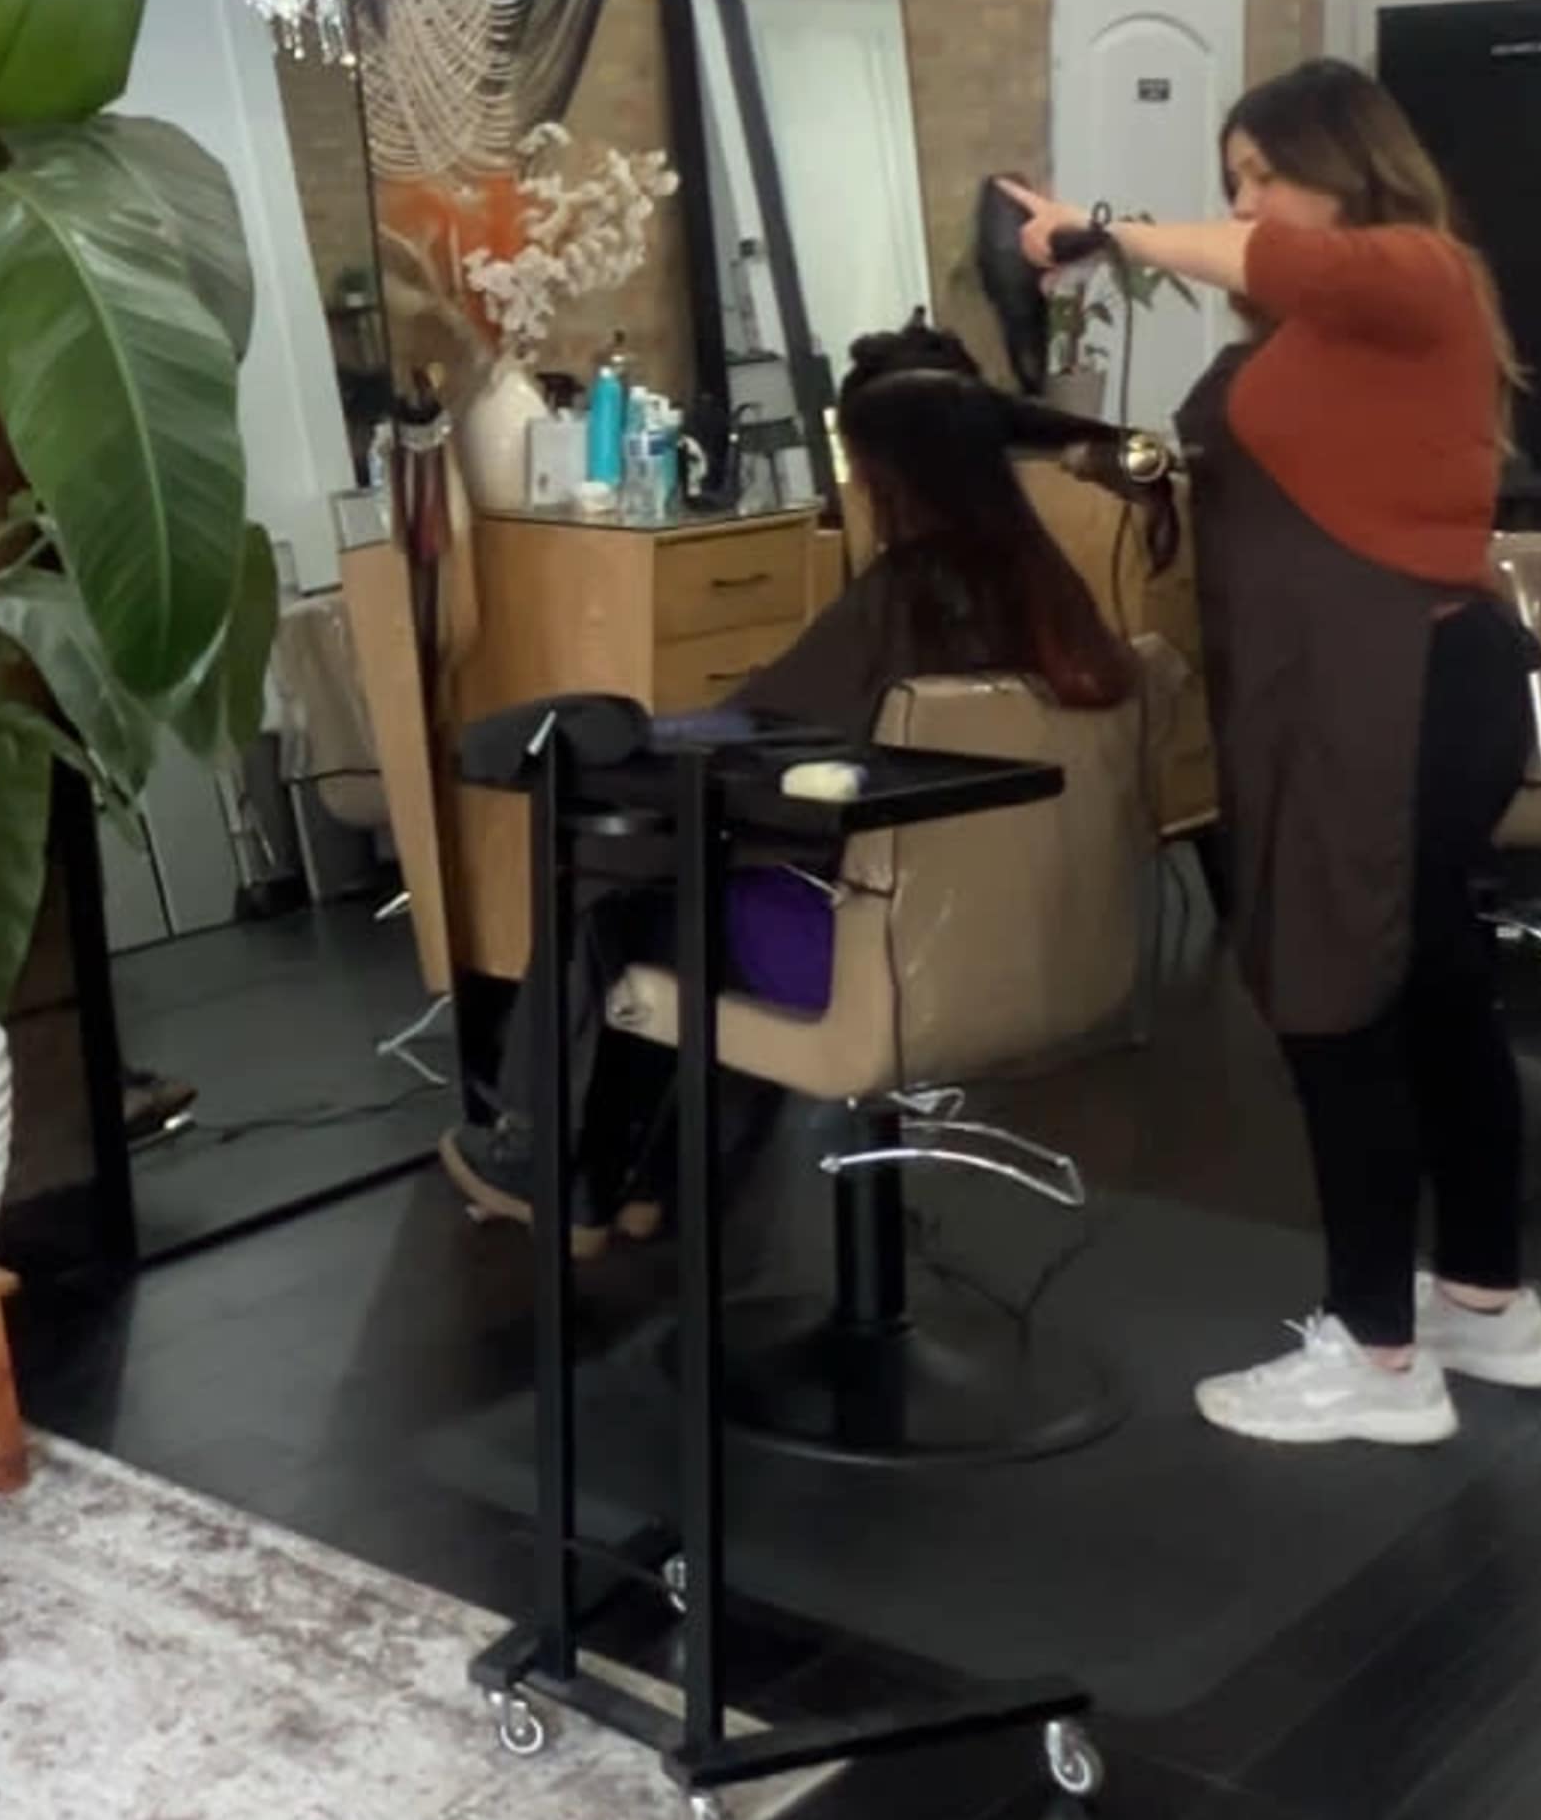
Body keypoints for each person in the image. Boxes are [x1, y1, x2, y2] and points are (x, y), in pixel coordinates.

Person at [1000, 61, 1541, 1449]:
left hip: (1399, 685)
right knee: (1429, 981)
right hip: (1395, 684)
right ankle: (1485, 1304)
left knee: (1341, 990)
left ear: (1343, 163)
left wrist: (1105, 231)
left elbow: (1274, 259)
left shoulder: (1417, 269)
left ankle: (1376, 1361)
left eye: (1260, 169)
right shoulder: (1313, 337)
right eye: (1231, 175)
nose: (1243, 200)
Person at [443, 327, 1145, 1247]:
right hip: (1042, 941)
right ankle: (637, 1178)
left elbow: (763, 724)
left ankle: (553, 1167)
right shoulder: (1060, 600)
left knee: (623, 894)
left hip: (896, 957)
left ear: (887, 476)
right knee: (690, 889)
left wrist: (638, 738)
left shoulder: (907, 596)